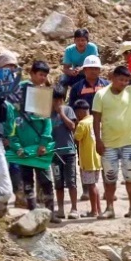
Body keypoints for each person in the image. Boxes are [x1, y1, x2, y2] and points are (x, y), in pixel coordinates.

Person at [92, 65, 131, 219]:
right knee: (109, 178)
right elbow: (96, 119)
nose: (123, 83)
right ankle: (109, 208)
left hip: (130, 142)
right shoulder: (101, 94)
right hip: (109, 144)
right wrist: (98, 140)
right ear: (112, 78)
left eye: (126, 80)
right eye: (120, 79)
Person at [7, 64, 56, 217]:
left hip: (40, 148)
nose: (43, 78)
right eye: (40, 75)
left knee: (46, 181)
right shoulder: (17, 91)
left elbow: (46, 122)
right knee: (27, 181)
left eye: (45, 76)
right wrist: (17, 147)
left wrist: (43, 143)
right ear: (32, 74)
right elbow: (11, 125)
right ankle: (32, 211)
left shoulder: (41, 93)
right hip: (23, 149)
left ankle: (50, 213)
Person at [50, 85, 80, 220]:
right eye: (54, 100)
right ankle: (60, 208)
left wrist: (61, 113)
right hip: (55, 153)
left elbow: (72, 126)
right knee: (58, 182)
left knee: (71, 181)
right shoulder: (47, 113)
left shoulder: (68, 110)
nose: (57, 103)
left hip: (68, 152)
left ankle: (74, 208)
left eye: (59, 100)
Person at [72, 99, 102, 218]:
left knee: (91, 185)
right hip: (97, 158)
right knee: (94, 184)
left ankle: (94, 211)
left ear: (79, 112)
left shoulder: (82, 124)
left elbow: (76, 139)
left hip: (88, 158)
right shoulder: (95, 121)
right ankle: (98, 209)